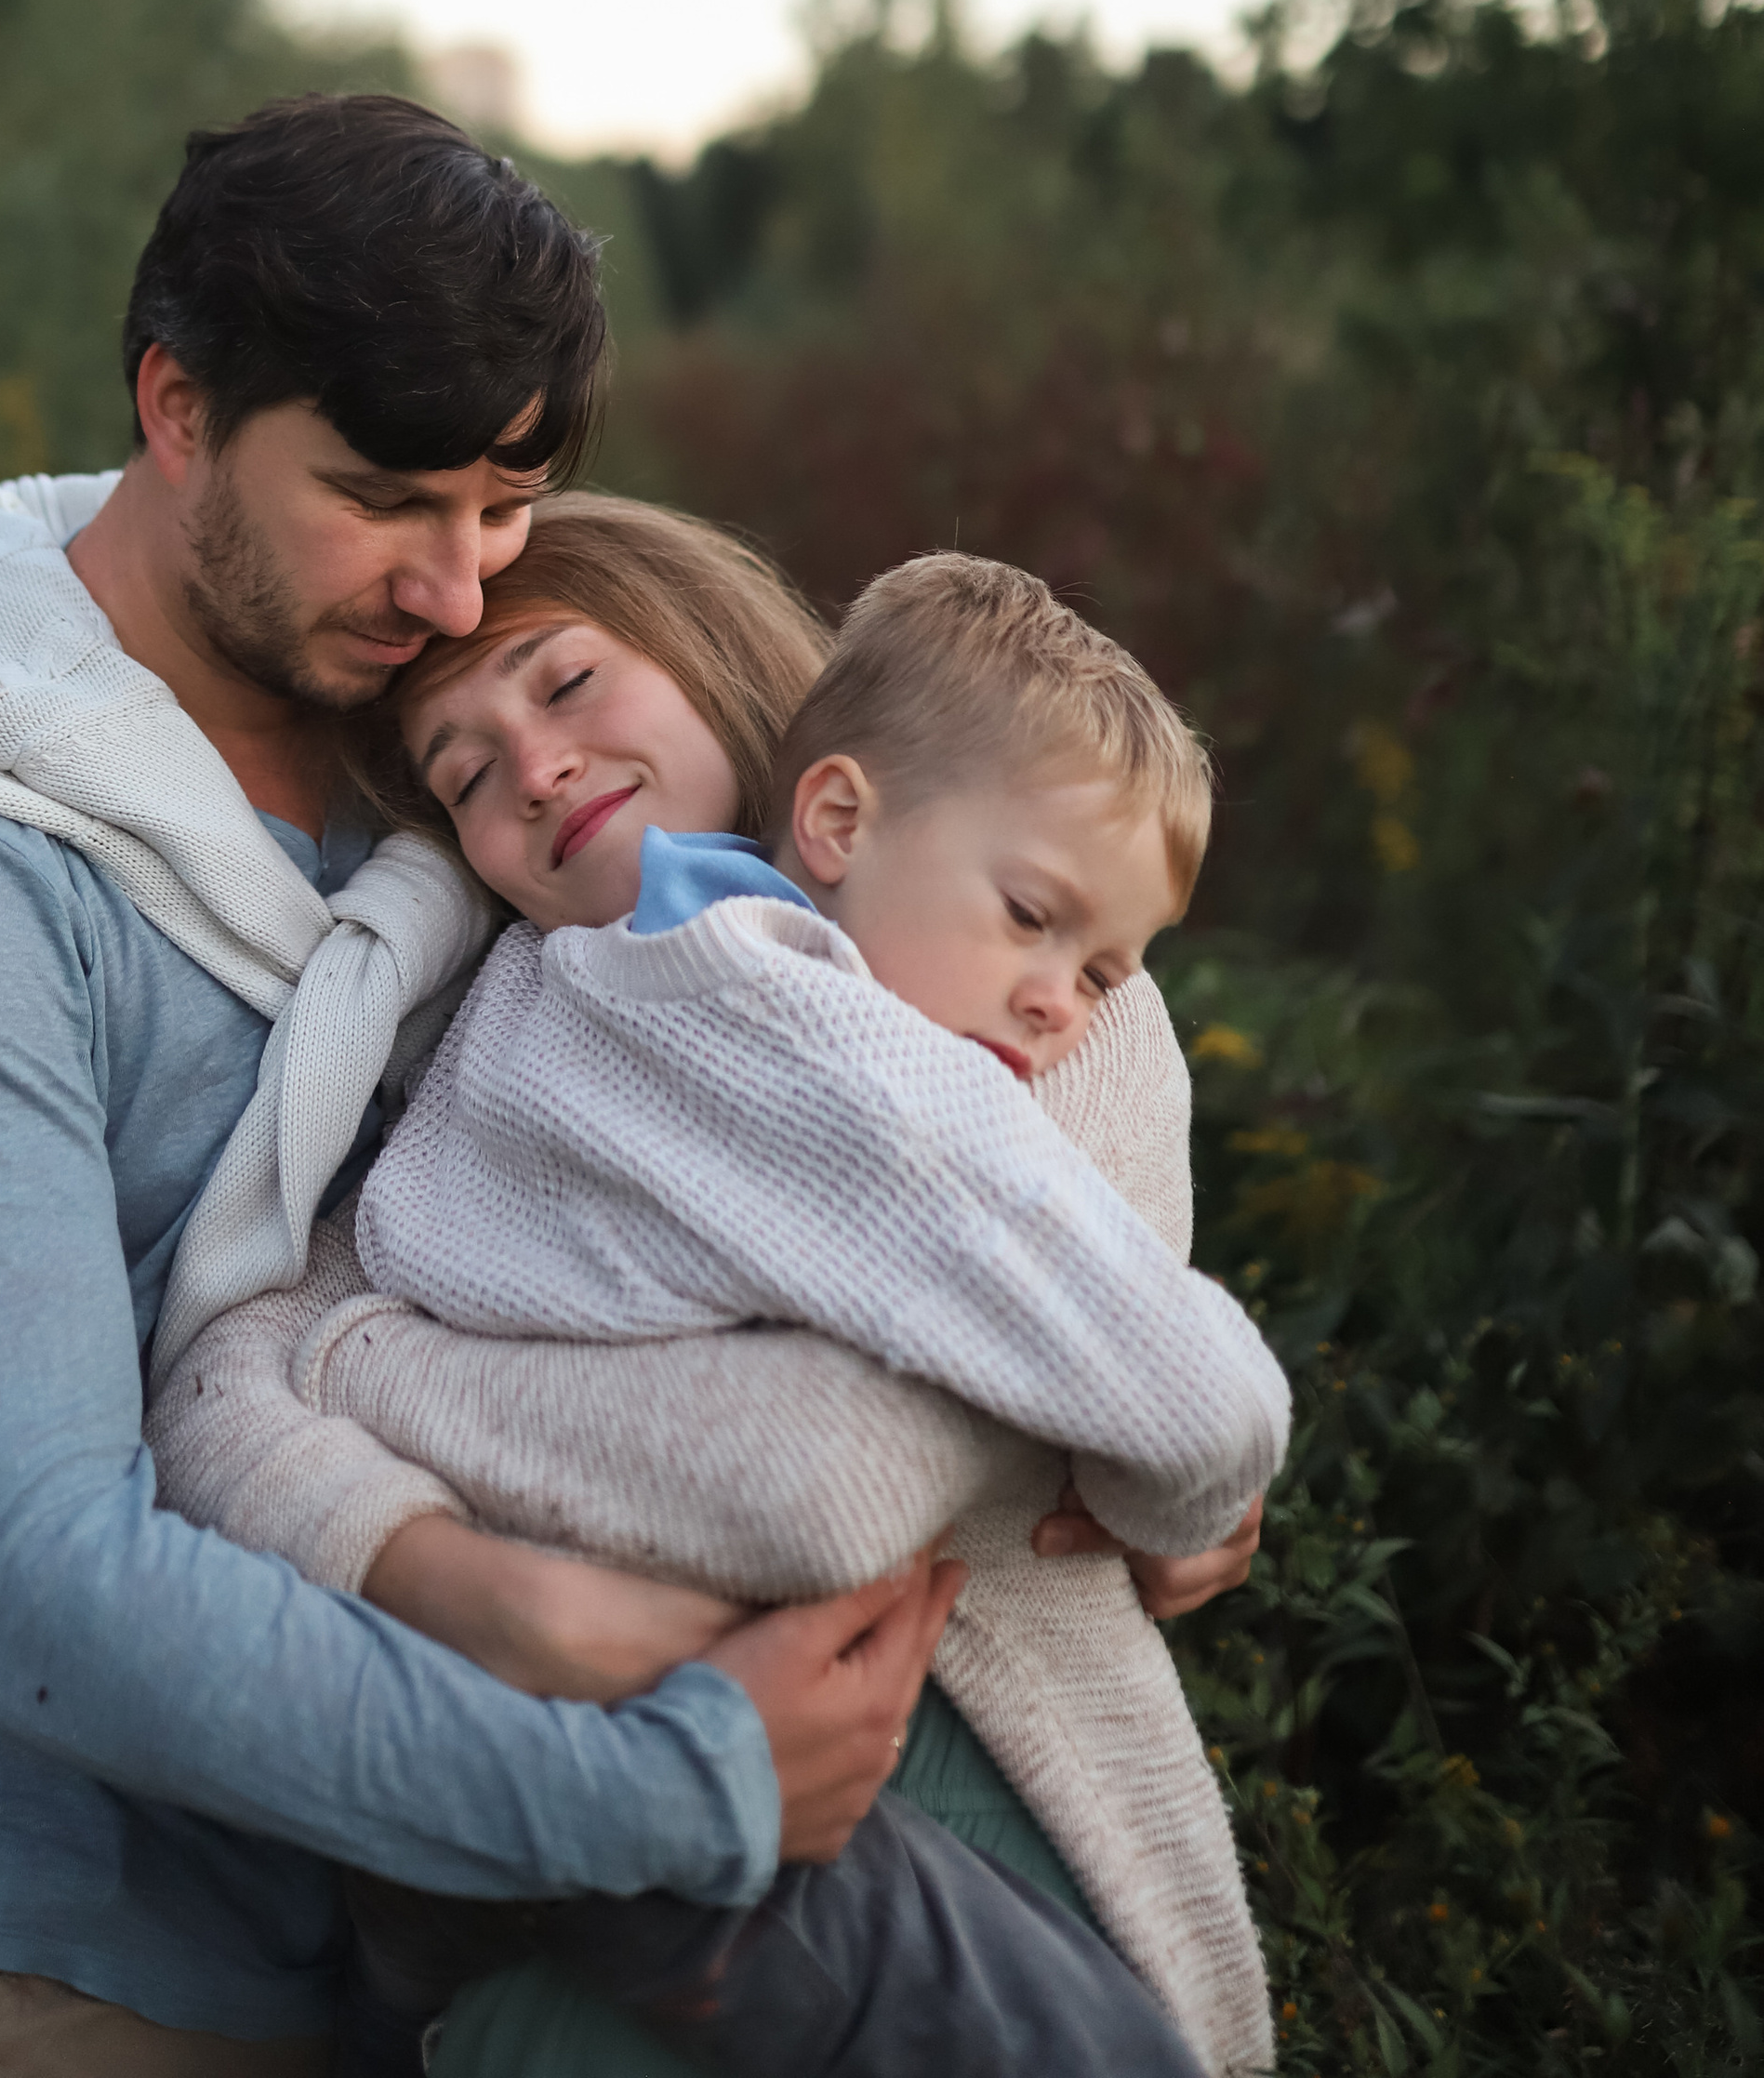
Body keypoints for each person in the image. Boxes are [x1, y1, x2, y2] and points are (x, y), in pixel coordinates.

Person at [0, 99, 960, 2078]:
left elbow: (873, 1010)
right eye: (387, 499)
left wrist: (1122, 1413)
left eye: (502, 507)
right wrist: (673, 1786)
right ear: (175, 405)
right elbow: (44, 1591)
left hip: (472, 1961)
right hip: (87, 1976)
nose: (459, 590)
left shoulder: (443, 752)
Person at [155, 500, 1283, 2078]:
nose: (532, 768)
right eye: (464, 775)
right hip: (570, 1920)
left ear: (693, 641)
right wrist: (463, 1535)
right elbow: (215, 1395)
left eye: (565, 687)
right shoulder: (498, 1053)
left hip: (1002, 1846)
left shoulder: (1052, 1001)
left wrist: (372, 1381)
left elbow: (840, 1475)